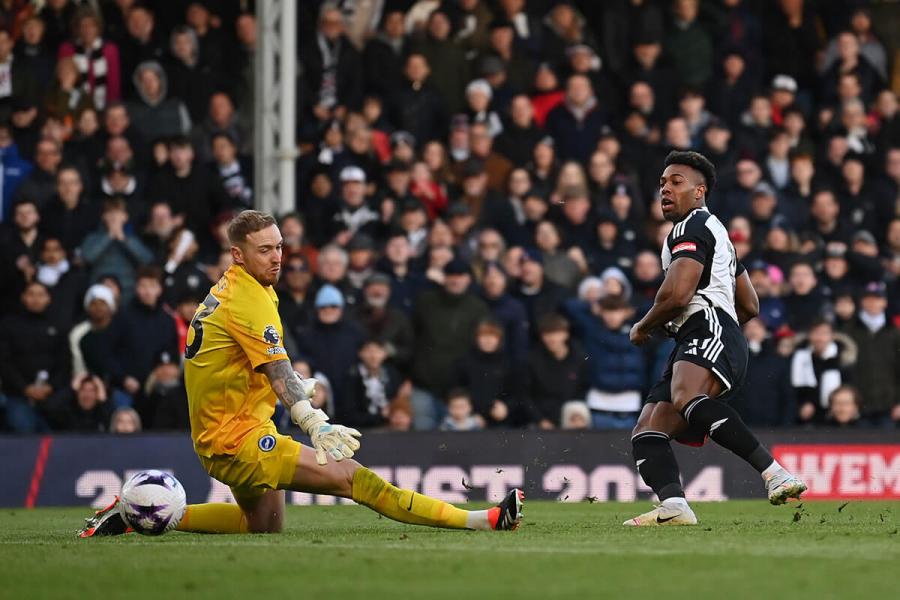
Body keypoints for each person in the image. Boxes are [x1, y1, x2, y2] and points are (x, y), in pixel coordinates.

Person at [78, 210, 523, 537]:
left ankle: (140, 514)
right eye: (265, 249)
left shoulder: (240, 288)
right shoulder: (247, 301)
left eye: (279, 247)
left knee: (262, 529)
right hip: (239, 441)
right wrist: (313, 420)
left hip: (231, 430)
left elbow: (241, 365)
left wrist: (289, 391)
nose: (277, 258)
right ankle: (481, 520)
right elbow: (277, 369)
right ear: (238, 253)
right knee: (352, 478)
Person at [624, 150, 806, 527]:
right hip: (708, 332)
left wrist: (644, 325)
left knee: (687, 396)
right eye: (662, 184)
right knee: (649, 428)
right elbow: (751, 304)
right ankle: (674, 505)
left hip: (707, 328)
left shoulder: (690, 227)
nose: (666, 190)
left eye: (677, 182)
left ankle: (775, 473)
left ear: (699, 191)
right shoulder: (716, 232)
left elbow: (676, 295)